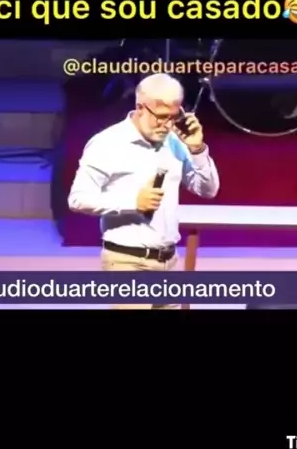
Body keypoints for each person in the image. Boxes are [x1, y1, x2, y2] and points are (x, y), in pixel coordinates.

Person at [67, 73, 220, 309]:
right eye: (161, 117)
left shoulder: (175, 142)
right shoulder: (107, 143)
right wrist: (133, 203)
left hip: (169, 262)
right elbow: (78, 199)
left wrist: (198, 149)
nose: (167, 125)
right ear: (140, 107)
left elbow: (208, 190)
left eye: (173, 117)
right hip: (127, 262)